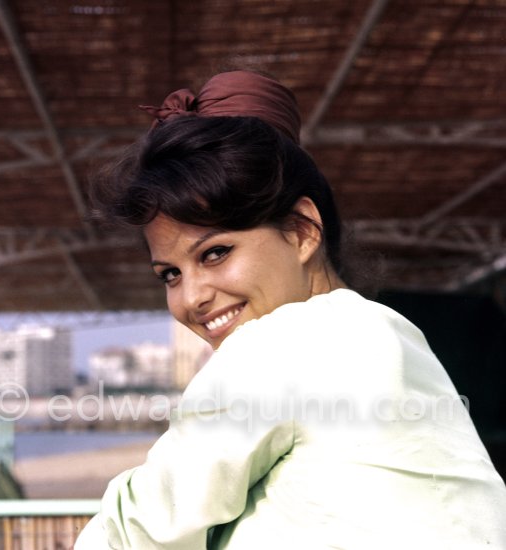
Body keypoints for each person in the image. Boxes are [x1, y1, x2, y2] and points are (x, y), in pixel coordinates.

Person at [75, 70, 506, 549]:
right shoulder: (394, 335)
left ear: (303, 230)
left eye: (215, 253)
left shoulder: (283, 343)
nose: (191, 297)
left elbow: (138, 530)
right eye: (169, 274)